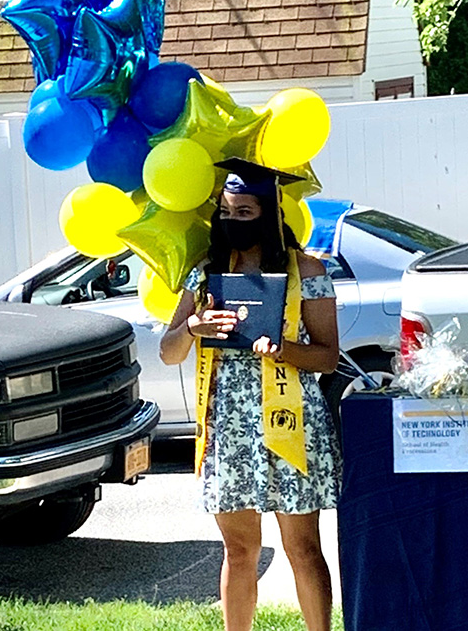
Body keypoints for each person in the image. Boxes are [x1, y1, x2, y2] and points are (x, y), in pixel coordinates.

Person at [159, 159, 342, 631]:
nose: (233, 221)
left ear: (270, 214)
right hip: (229, 427)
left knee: (303, 548)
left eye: (244, 212)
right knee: (239, 551)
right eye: (226, 212)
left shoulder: (308, 271)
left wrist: (285, 349)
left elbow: (327, 357)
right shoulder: (207, 274)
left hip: (290, 422)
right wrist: (194, 326)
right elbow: (167, 351)